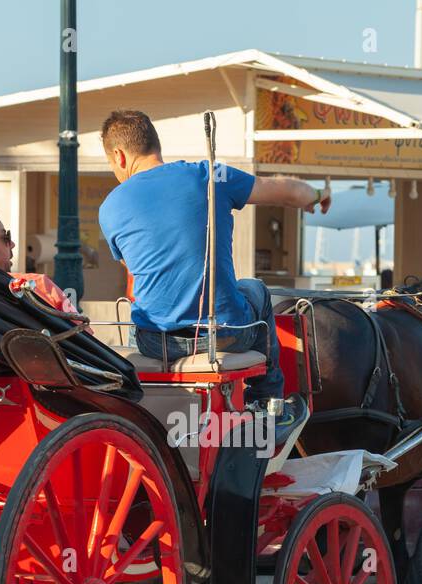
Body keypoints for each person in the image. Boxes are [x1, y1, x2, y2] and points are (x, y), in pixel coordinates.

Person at [97, 109, 331, 410]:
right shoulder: (209, 175)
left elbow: (135, 267)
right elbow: (289, 193)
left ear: (118, 155)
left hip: (155, 343)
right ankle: (268, 401)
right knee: (255, 289)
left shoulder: (110, 206)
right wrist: (318, 194)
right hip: (225, 336)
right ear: (156, 144)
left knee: (139, 309)